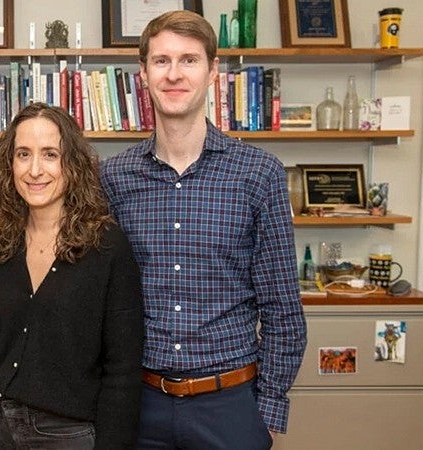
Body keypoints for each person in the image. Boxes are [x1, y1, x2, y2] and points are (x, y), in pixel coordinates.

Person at [100, 10, 307, 450]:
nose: (174, 74)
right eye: (161, 61)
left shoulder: (259, 174)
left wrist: (266, 413)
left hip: (230, 406)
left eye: (189, 60)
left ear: (214, 71)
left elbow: (283, 308)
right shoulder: (114, 178)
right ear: (144, 73)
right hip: (140, 406)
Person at [0, 103, 144, 449]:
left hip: (68, 435)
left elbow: (124, 368)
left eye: (50, 154)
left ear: (71, 164)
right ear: (9, 164)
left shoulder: (105, 244)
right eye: (23, 154)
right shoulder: (3, 241)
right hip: (2, 427)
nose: (35, 170)